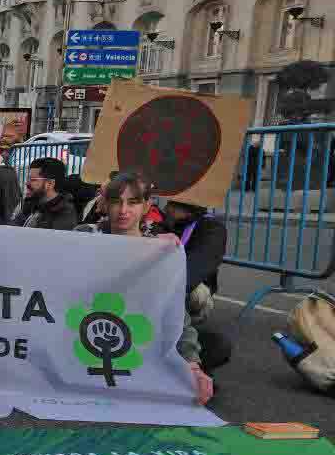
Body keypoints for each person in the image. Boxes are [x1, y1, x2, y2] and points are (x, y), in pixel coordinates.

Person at [75, 173, 214, 404]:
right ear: (105, 205)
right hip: (88, 329)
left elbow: (175, 311)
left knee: (214, 346)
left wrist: (192, 364)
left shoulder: (161, 250)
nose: (123, 211)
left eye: (133, 202)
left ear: (146, 206)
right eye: (117, 202)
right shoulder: (84, 235)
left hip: (142, 333)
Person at [161, 200, 231, 371]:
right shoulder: (155, 222)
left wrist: (160, 293)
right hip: (149, 293)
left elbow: (193, 271)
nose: (166, 208)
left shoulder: (211, 228)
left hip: (178, 291)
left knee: (216, 345)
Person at [12, 157, 78, 231]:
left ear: (50, 183)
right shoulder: (31, 204)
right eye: (28, 179)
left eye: (33, 180)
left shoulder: (64, 213)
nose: (27, 183)